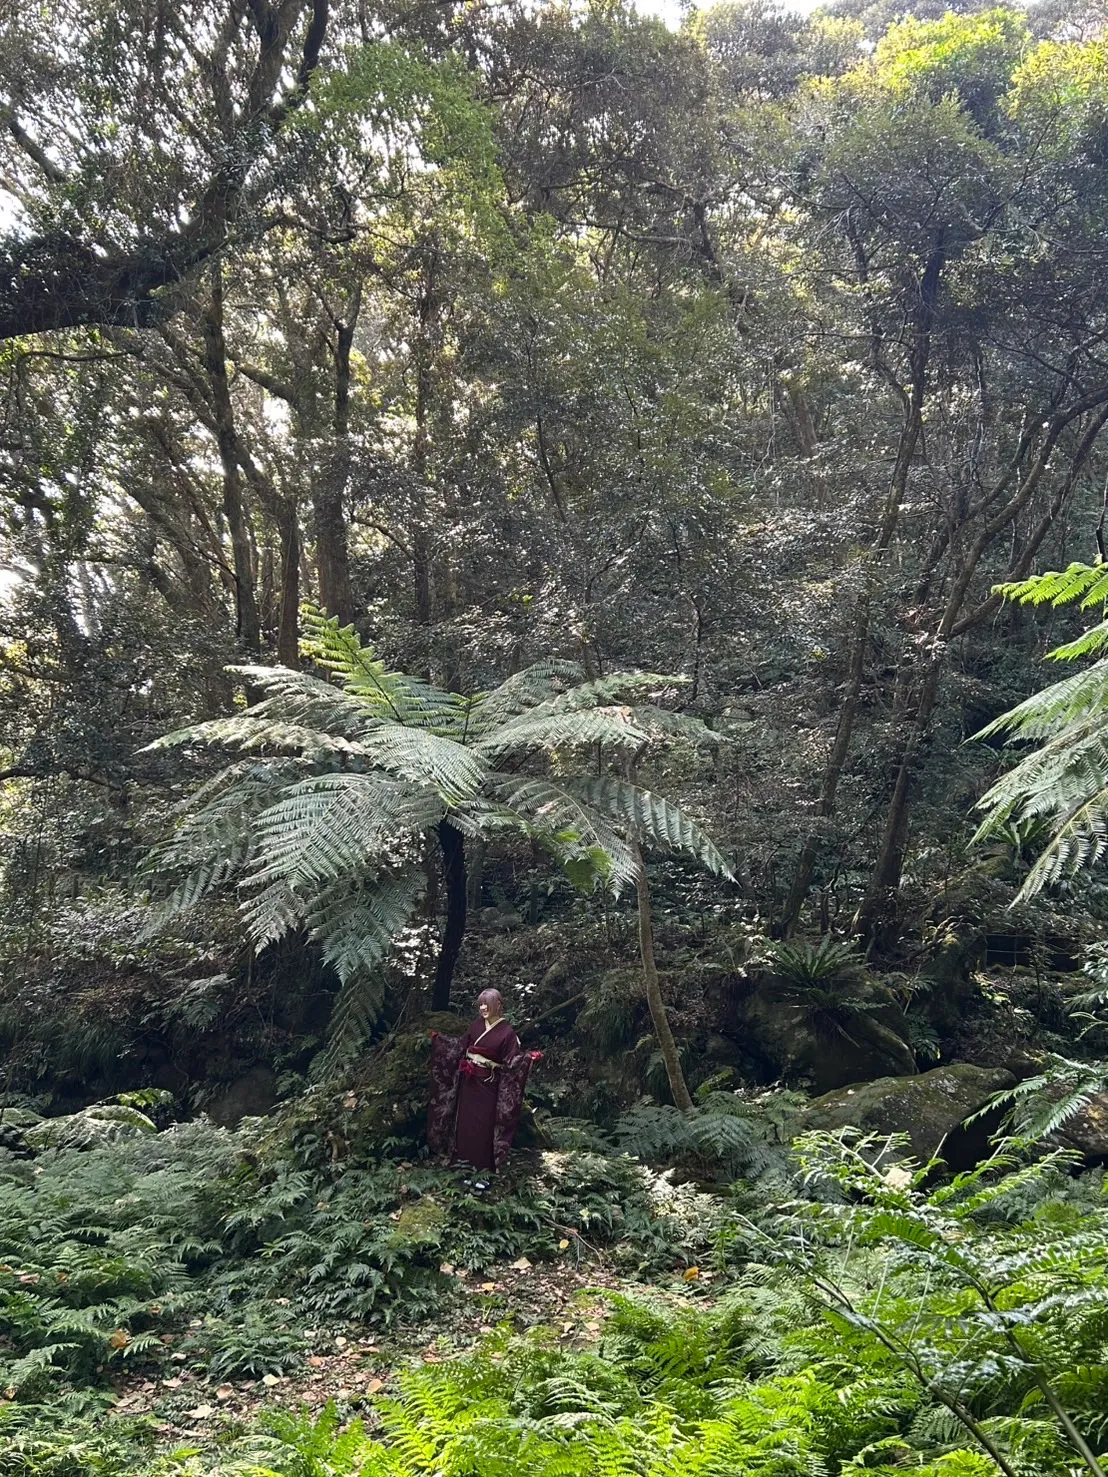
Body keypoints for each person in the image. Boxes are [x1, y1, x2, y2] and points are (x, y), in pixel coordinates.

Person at [426, 988, 541, 1179]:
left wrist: (528, 1058)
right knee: (464, 1124)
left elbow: (512, 1062)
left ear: (498, 1005)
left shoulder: (507, 1033)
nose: (483, 1007)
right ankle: (460, 1166)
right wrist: (440, 1041)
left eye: (487, 1003)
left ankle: (482, 1172)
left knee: (484, 1128)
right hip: (468, 1083)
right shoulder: (476, 1026)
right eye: (480, 1004)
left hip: (489, 1084)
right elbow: (459, 1047)